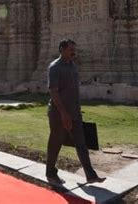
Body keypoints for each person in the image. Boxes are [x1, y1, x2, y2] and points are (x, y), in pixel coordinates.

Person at [45, 39, 105, 185]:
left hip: (74, 111)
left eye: (74, 49)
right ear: (62, 50)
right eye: (71, 49)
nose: (74, 52)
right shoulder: (55, 67)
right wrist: (64, 113)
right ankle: (51, 172)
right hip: (59, 113)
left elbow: (74, 90)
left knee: (81, 143)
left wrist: (76, 110)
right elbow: (54, 92)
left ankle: (90, 175)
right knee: (56, 142)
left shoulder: (73, 66)